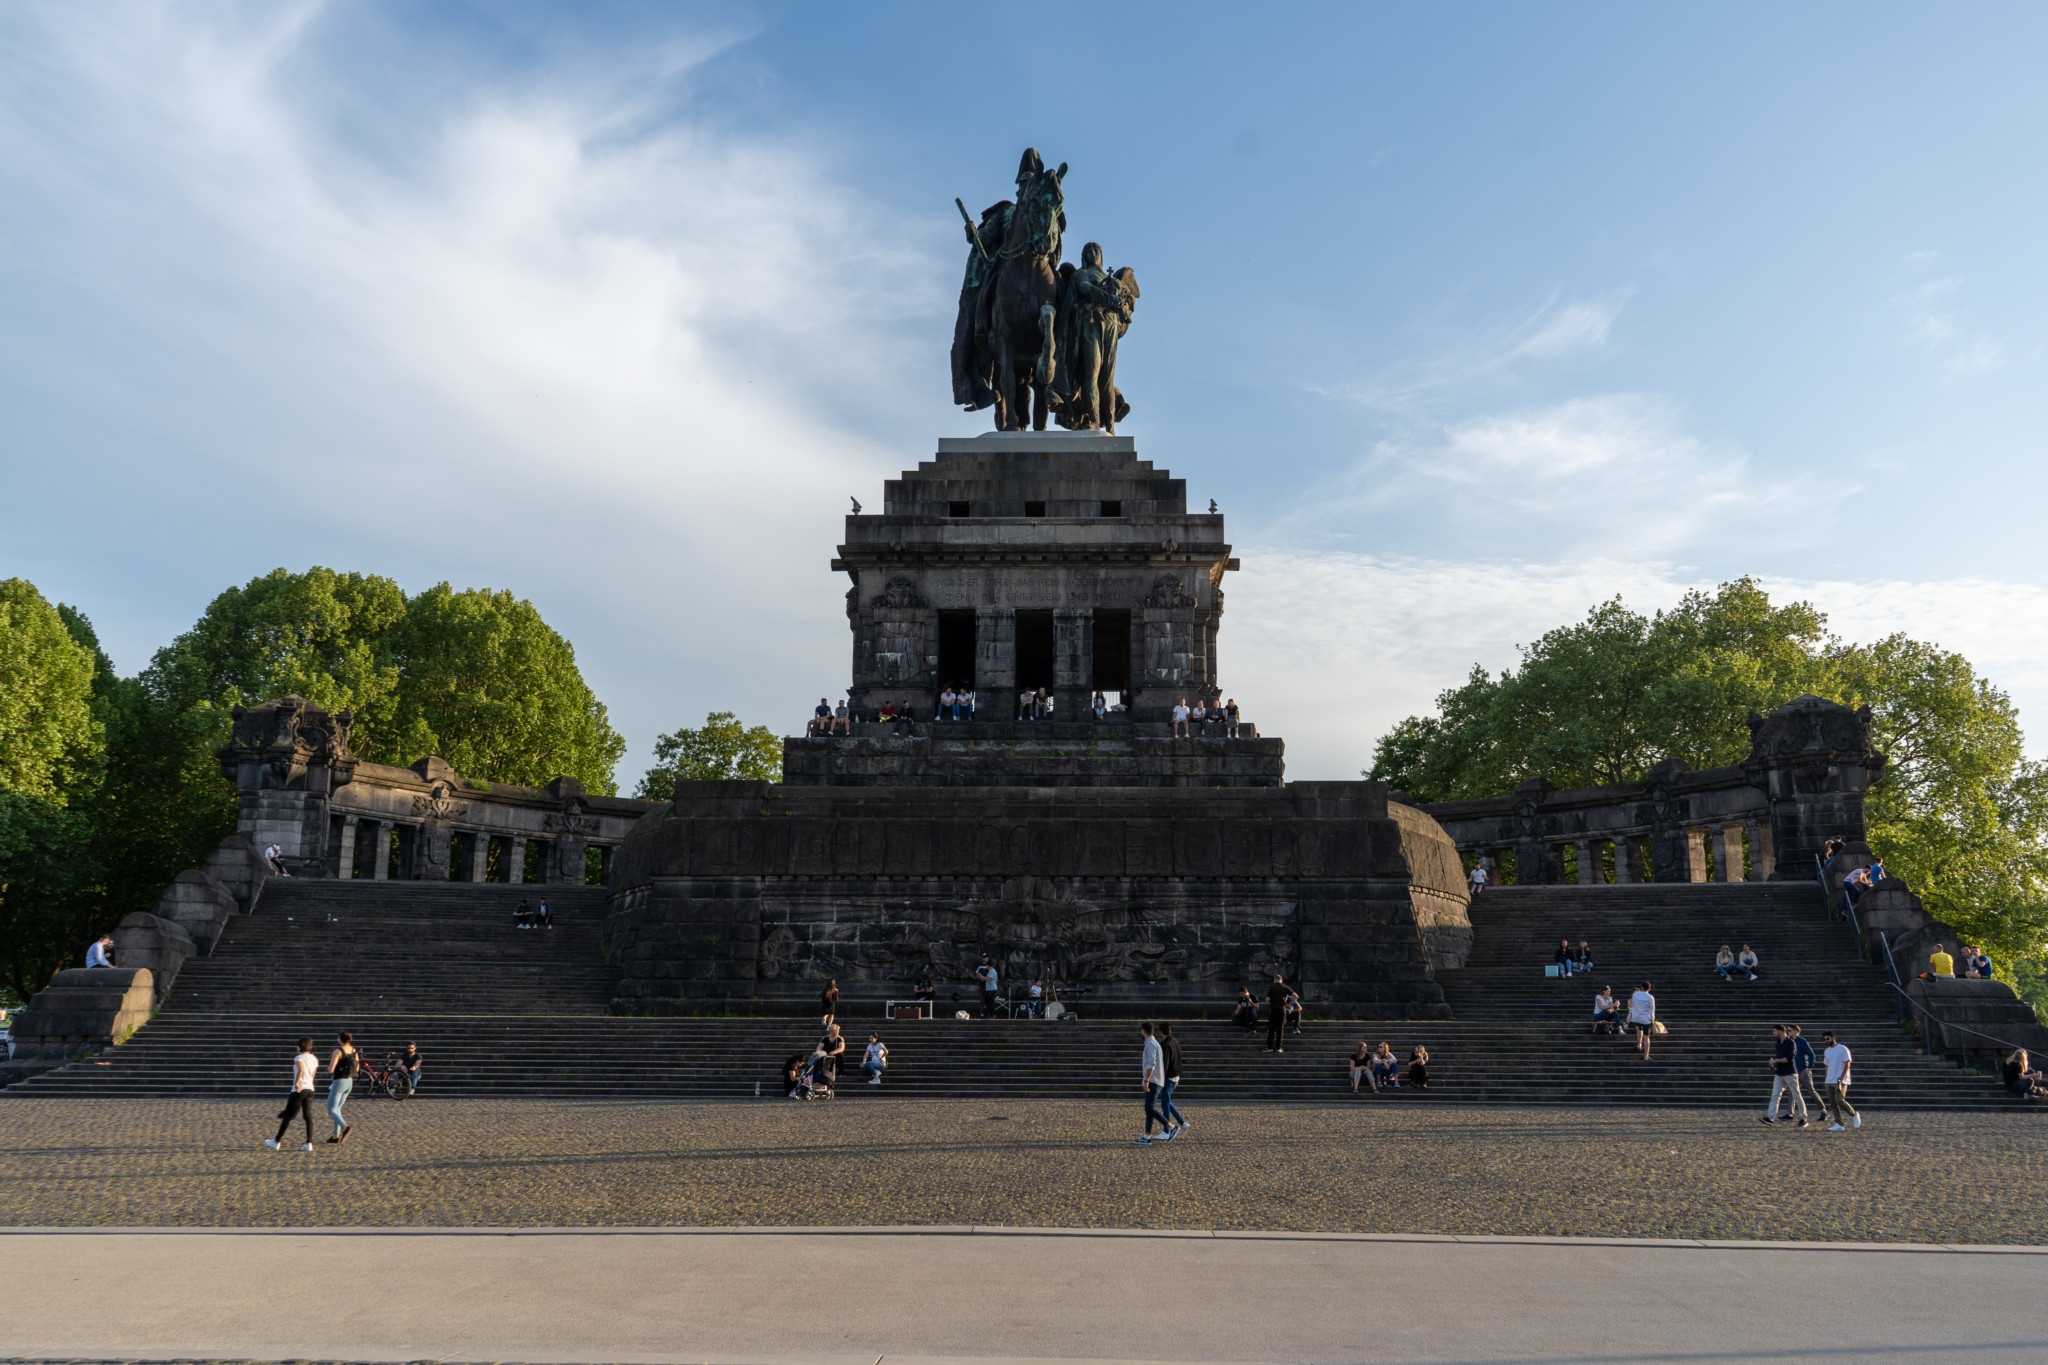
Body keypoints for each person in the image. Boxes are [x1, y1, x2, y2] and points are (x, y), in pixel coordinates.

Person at [265, 1037, 320, 1151]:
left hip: (299, 1090)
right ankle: (309, 1142)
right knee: (307, 1116)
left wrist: (296, 1083)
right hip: (310, 1088)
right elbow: (313, 1074)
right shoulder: (314, 1059)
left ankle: (276, 1141)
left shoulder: (299, 1057)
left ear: (300, 1046)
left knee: (288, 1116)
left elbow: (301, 1069)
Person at [1760, 1024, 1807, 1126]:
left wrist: (1776, 1060)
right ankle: (1770, 1117)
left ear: (1780, 1031)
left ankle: (1803, 1118)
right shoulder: (1778, 1043)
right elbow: (1780, 1057)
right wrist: (1774, 1062)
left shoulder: (1791, 1043)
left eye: (1775, 1031)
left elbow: (1789, 1059)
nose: (1773, 1033)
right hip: (1779, 1073)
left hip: (1790, 1073)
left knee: (1797, 1095)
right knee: (1775, 1095)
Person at [1136, 1022, 1168, 1143]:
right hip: (1157, 1080)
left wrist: (1146, 1081)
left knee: (1149, 1109)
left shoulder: (1150, 1044)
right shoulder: (1154, 1043)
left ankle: (1170, 1126)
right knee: (1149, 1108)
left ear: (1143, 1031)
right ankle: (1147, 1136)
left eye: (1141, 1031)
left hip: (1153, 1080)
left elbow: (1151, 1064)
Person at [1821, 1031, 1860, 1131]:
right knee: (1833, 1103)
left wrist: (1842, 1077)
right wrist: (1826, 1078)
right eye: (1825, 1039)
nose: (1826, 1041)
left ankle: (1854, 1114)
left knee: (1839, 1099)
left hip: (1840, 1080)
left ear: (1833, 1038)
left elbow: (1847, 1063)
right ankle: (1839, 1124)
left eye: (1828, 1039)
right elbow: (1826, 1065)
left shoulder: (1842, 1049)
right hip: (1829, 1080)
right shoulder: (1827, 1051)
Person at [326, 1031, 359, 1143]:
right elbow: (357, 1068)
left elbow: (331, 1069)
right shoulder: (354, 1051)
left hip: (339, 1082)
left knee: (331, 1110)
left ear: (340, 1039)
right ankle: (336, 1135)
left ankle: (345, 1128)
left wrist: (329, 1069)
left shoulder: (338, 1051)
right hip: (350, 1082)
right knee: (337, 1109)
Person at [1158, 1021, 1188, 1137]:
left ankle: (1167, 1130)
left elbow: (1165, 1063)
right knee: (1167, 1101)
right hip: (1175, 1075)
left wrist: (1161, 1078)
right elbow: (1178, 1060)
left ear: (1161, 1032)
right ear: (1170, 1030)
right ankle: (1182, 1123)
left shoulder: (1165, 1044)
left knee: (1165, 1103)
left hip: (1168, 1077)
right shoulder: (1175, 1041)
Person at [1791, 1024, 1824, 1116]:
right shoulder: (1789, 1042)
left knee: (1811, 1091)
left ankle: (1823, 1110)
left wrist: (1809, 1067)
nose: (1788, 1032)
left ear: (1796, 1031)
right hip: (1794, 1071)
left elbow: (1812, 1055)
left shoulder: (1802, 1041)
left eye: (1790, 1030)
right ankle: (1790, 1114)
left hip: (1803, 1070)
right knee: (1792, 1092)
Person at [1628, 981, 1657, 1060]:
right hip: (1646, 1018)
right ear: (1649, 989)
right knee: (1646, 1037)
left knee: (1639, 1029)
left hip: (1636, 1017)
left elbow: (1633, 1004)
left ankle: (1639, 1044)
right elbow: (1652, 1009)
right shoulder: (1650, 997)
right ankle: (1646, 1055)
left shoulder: (1635, 995)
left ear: (1641, 988)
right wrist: (1652, 1019)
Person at [1265, 973, 1290, 1053]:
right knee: (1280, 1029)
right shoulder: (1285, 987)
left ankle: (1270, 1047)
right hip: (1282, 1010)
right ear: (1281, 980)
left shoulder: (1271, 987)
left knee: (1271, 1028)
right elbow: (1295, 996)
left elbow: (1268, 999)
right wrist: (1289, 1004)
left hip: (1273, 1009)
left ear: (1274, 980)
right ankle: (1279, 1047)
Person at [817, 1024, 846, 1088]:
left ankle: (841, 1072)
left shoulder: (839, 1038)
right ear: (831, 1031)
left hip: (835, 1054)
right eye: (835, 1030)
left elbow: (842, 1048)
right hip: (826, 1054)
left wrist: (834, 1052)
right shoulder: (825, 1038)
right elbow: (819, 1047)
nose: (837, 1032)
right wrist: (819, 1052)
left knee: (839, 1055)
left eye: (838, 1030)